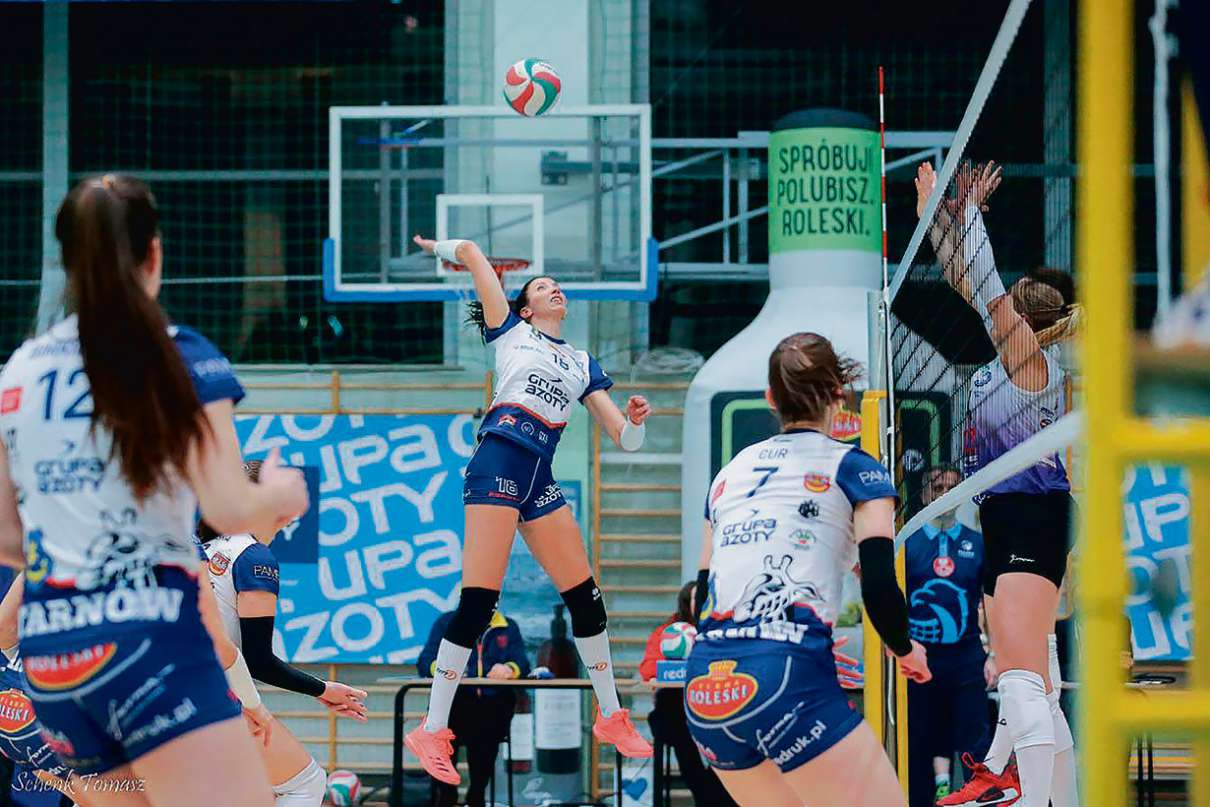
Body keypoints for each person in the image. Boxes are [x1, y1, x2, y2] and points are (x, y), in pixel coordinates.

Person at [0, 174, 310, 807]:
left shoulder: (21, 370)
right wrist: (279, 495)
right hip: (148, 646)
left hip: (56, 662)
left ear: (67, 261)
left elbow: (9, 540)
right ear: (155, 254)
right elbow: (229, 508)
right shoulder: (177, 354)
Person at [404, 233, 653, 785]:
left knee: (587, 600)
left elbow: (624, 438)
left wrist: (635, 421)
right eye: (542, 286)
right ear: (525, 307)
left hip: (539, 473)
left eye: (557, 285)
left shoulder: (582, 362)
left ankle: (611, 716)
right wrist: (437, 246)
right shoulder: (511, 332)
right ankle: (432, 728)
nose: (554, 289)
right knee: (478, 604)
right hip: (497, 460)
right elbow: (472, 252)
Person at [687, 332, 931, 807]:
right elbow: (880, 586)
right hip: (787, 676)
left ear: (770, 398)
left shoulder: (729, 473)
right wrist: (905, 648)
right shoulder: (856, 468)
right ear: (839, 395)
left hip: (707, 686)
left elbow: (701, 596)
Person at [916, 162, 1079, 807]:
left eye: (1012, 304)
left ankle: (1023, 794)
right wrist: (939, 222)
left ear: (1024, 320)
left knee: (1018, 680)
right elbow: (968, 281)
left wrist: (967, 217)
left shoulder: (1033, 365)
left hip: (1032, 516)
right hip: (1011, 519)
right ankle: (1044, 791)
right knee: (1036, 683)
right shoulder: (1010, 360)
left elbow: (984, 287)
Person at [198, 459, 370, 807]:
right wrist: (323, 689)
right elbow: (257, 660)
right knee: (305, 784)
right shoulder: (254, 557)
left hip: (168, 692)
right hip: (214, 698)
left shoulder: (207, 548)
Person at [903, 466, 991, 806]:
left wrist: (995, 655)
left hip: (966, 657)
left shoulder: (977, 544)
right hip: (919, 659)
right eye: (937, 487)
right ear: (925, 493)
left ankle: (976, 801)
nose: (944, 494)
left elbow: (991, 601)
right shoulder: (908, 543)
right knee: (919, 743)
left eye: (952, 488)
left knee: (974, 743)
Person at [416, 603, 530, 807]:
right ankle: (446, 793)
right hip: (455, 703)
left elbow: (522, 662)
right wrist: (444, 669)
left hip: (491, 705)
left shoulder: (508, 626)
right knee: (442, 729)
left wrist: (509, 669)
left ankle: (476, 794)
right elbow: (425, 661)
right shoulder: (446, 623)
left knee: (488, 726)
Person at [638, 581, 736, 807]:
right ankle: (707, 797)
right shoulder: (669, 633)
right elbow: (649, 670)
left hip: (716, 708)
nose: (702, 603)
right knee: (678, 731)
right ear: (686, 602)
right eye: (697, 598)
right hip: (677, 712)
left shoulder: (725, 630)